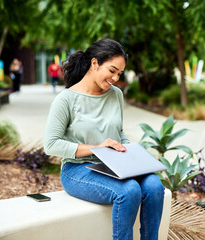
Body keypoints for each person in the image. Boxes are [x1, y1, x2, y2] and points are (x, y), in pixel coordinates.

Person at [43, 39, 165, 240]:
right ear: (94, 64)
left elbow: (119, 133)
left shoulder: (116, 95)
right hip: (77, 170)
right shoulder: (65, 100)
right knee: (129, 191)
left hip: (115, 165)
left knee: (154, 186)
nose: (116, 78)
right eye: (112, 70)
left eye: (120, 74)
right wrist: (96, 148)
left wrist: (133, 153)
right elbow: (51, 144)